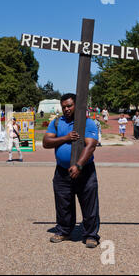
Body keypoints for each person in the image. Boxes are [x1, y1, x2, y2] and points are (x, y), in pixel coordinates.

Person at [42, 93, 100, 248]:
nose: (66, 109)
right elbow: (46, 142)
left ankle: (90, 235)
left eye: (69, 106)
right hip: (62, 171)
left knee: (89, 204)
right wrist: (66, 138)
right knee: (63, 203)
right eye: (64, 107)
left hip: (85, 171)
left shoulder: (88, 123)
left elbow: (91, 145)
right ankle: (64, 231)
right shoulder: (56, 122)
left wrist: (79, 165)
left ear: (77, 105)